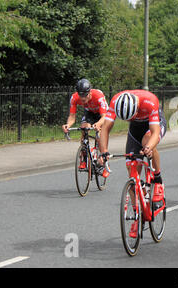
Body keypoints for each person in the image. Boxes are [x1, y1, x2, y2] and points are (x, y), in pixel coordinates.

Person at [99, 89, 167, 238]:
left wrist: (149, 147)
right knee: (132, 172)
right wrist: (103, 151)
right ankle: (137, 215)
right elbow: (105, 129)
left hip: (153, 125)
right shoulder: (115, 101)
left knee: (147, 142)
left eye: (134, 115)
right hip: (135, 130)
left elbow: (155, 132)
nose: (133, 117)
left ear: (136, 107)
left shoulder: (150, 101)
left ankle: (158, 180)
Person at [62, 79, 108, 172]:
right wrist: (68, 125)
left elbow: (105, 116)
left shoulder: (98, 96)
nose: (82, 98)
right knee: (84, 128)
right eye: (80, 95)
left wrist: (98, 124)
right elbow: (72, 116)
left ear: (90, 92)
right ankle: (83, 157)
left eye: (85, 95)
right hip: (89, 113)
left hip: (102, 114)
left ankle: (104, 159)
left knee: (99, 134)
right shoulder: (74, 98)